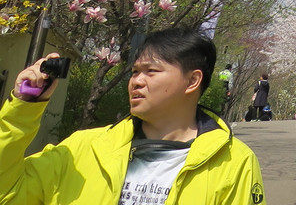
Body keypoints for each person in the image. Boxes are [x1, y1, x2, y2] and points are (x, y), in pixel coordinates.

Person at [0, 27, 264, 205]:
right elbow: (7, 193)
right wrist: (22, 109)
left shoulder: (233, 162)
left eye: (151, 71)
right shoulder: (84, 149)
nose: (136, 81)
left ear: (192, 81)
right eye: (135, 71)